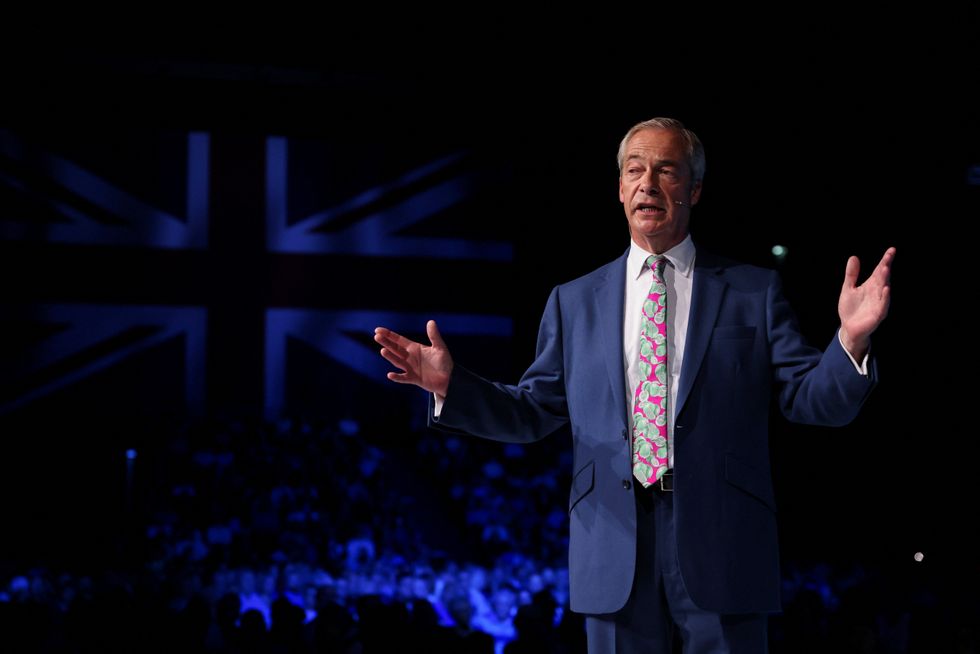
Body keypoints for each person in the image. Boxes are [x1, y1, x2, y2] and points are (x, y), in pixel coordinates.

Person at [373, 117, 895, 653]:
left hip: (724, 544)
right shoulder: (573, 301)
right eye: (634, 169)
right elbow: (532, 412)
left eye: (666, 170)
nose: (648, 183)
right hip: (614, 546)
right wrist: (453, 386)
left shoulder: (752, 292)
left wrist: (849, 342)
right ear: (620, 188)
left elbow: (811, 401)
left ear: (692, 190)